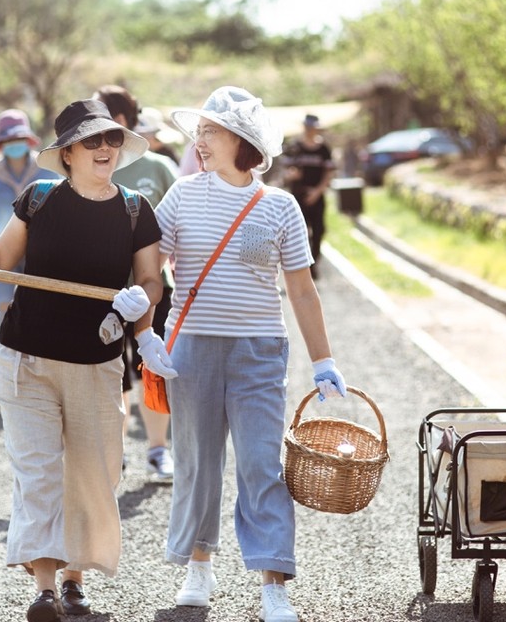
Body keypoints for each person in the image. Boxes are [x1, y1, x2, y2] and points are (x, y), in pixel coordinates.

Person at [0, 99, 170, 622]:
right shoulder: (40, 199)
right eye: (93, 141)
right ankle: (45, 589)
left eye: (112, 140)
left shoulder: (136, 209)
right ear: (67, 153)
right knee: (40, 473)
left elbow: (151, 278)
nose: (105, 149)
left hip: (97, 364)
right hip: (27, 358)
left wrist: (143, 304)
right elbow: (0, 260)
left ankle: (75, 581)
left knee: (94, 475)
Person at [155, 85, 348, 622]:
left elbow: (302, 290)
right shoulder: (183, 195)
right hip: (191, 347)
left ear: (240, 140)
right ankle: (199, 565)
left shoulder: (280, 206)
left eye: (210, 131)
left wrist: (323, 360)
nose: (200, 139)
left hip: (260, 350)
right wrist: (142, 323)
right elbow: (149, 264)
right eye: (200, 131)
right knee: (197, 461)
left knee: (263, 463)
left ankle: (273, 581)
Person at [92, 85, 180, 482]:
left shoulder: (158, 167)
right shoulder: (91, 166)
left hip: (152, 289)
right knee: (110, 372)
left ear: (123, 121)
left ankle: (159, 451)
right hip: (99, 292)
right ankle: (116, 452)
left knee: (151, 369)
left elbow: (183, 225)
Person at [0, 109, 57, 372]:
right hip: (2, 250)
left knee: (39, 307)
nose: (14, 145)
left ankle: (36, 370)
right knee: (4, 306)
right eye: (8, 141)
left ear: (28, 140)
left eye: (18, 140)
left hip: (39, 250)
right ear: (1, 144)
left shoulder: (46, 168)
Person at [280, 113, 336, 279]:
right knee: (300, 232)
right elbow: (285, 171)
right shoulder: (294, 147)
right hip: (298, 197)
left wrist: (318, 191)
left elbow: (329, 172)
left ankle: (314, 262)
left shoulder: (324, 148)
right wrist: (291, 175)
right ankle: (302, 266)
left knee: (319, 230)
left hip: (317, 196)